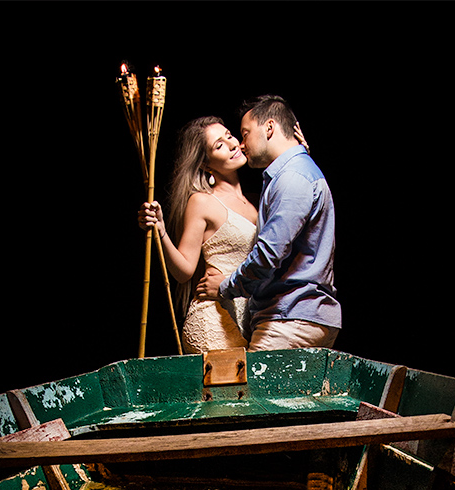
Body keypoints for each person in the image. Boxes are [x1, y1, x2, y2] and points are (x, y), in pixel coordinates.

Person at [195, 95, 339, 351]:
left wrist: (225, 287)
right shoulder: (294, 172)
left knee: (247, 391)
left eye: (245, 133)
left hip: (289, 318)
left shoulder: (293, 177)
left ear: (269, 128)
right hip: (298, 316)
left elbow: (268, 256)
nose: (241, 143)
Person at [138, 116, 257, 353]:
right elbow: (184, 272)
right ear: (205, 164)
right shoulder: (202, 201)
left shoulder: (253, 205)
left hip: (248, 320)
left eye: (229, 135)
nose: (232, 144)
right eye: (219, 145)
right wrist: (160, 230)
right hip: (213, 320)